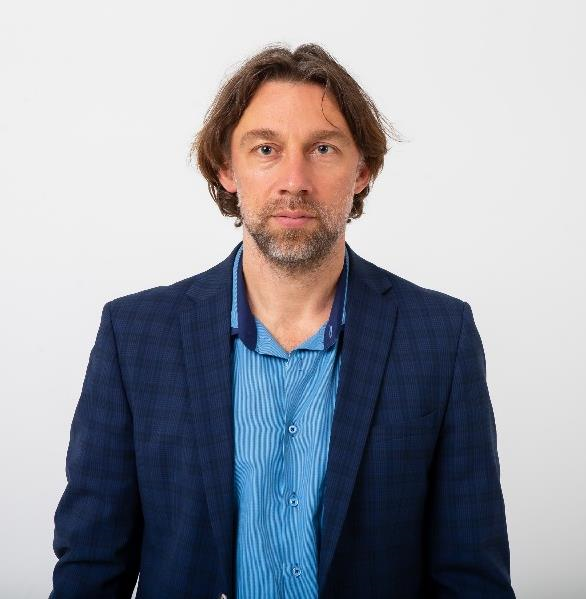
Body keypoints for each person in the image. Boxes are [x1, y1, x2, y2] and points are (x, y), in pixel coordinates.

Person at [50, 43, 516, 599]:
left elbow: (471, 575)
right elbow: (90, 569)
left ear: (362, 170)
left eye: (323, 148)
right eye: (266, 148)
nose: (295, 180)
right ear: (227, 168)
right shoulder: (134, 337)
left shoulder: (441, 336)